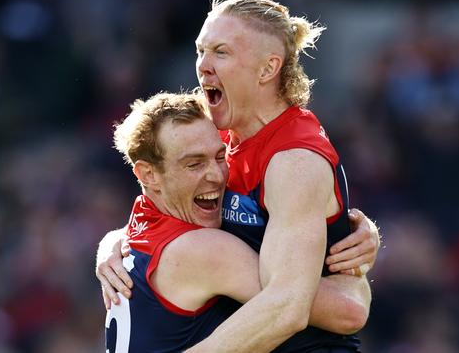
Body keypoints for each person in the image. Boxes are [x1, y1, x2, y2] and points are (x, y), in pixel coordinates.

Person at [98, 0, 381, 352]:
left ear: (267, 69)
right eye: (201, 50)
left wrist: (356, 277)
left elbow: (295, 308)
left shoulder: (294, 161)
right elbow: (164, 214)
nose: (202, 65)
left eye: (221, 52)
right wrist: (113, 244)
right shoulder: (218, 137)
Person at [105, 92, 371, 352]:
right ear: (148, 174)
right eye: (194, 164)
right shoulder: (205, 250)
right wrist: (355, 274)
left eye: (221, 157)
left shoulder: (136, 228)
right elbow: (347, 311)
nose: (216, 176)